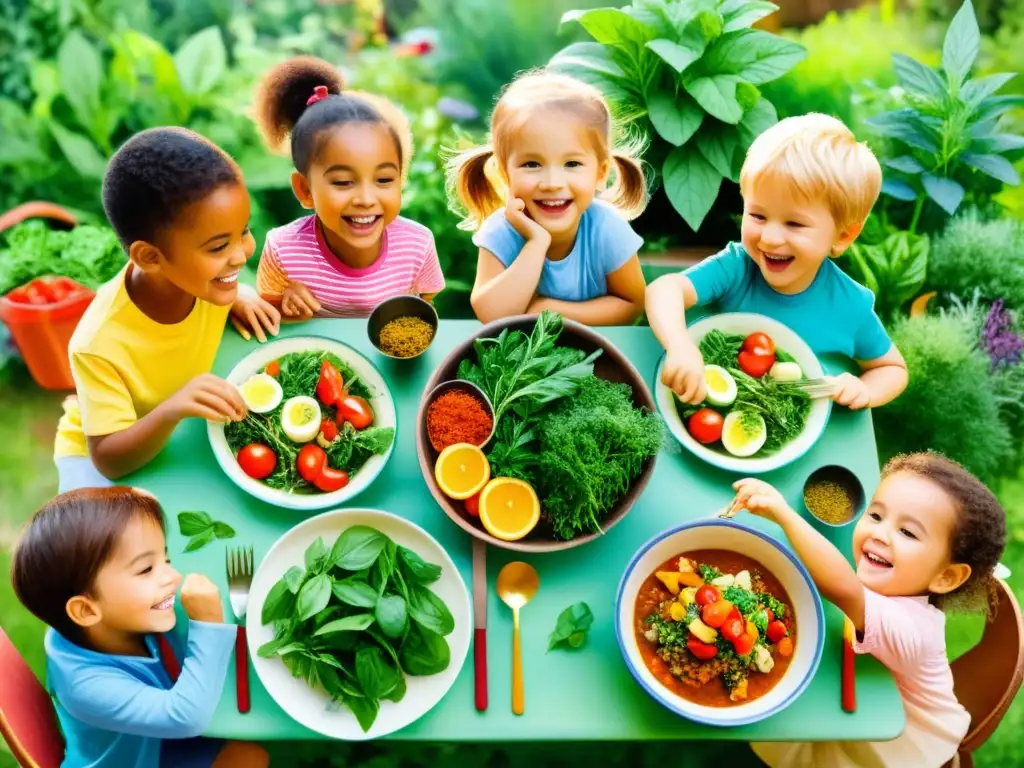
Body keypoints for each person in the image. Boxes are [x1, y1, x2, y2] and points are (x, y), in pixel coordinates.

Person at [725, 453, 1007, 767]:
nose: (879, 533)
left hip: (899, 754)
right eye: (875, 515)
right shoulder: (898, 584)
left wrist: (784, 515)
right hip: (864, 709)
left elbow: (844, 589)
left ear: (946, 576)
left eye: (908, 533)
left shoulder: (913, 631)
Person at [53, 127, 279, 492]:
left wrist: (238, 293)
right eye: (219, 246)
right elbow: (108, 458)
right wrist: (173, 408)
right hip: (101, 455)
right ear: (150, 257)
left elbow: (218, 275)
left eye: (245, 231)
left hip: (179, 437)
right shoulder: (97, 343)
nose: (241, 254)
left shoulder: (199, 279)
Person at [647, 113, 907, 409]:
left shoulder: (850, 306)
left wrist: (864, 389)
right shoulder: (738, 266)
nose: (769, 238)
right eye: (757, 215)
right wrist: (680, 346)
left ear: (843, 236)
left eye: (794, 224)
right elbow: (665, 289)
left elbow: (892, 369)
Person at [11, 487, 270, 768]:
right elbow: (187, 717)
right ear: (86, 610)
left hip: (150, 737)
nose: (173, 576)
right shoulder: (86, 687)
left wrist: (135, 505)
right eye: (146, 569)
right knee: (249, 757)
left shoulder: (98, 624)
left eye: (166, 559)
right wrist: (207, 624)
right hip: (140, 760)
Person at [447, 69, 648, 326]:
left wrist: (550, 312)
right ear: (505, 174)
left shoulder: (607, 228)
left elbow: (632, 304)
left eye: (572, 163)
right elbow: (491, 315)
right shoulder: (502, 230)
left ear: (600, 172)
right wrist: (536, 242)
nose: (553, 184)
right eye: (532, 164)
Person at [252, 55, 445, 318]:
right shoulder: (283, 250)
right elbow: (270, 316)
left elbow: (426, 306)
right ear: (305, 190)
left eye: (384, 180)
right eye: (343, 182)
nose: (366, 198)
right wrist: (287, 305)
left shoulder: (417, 244)